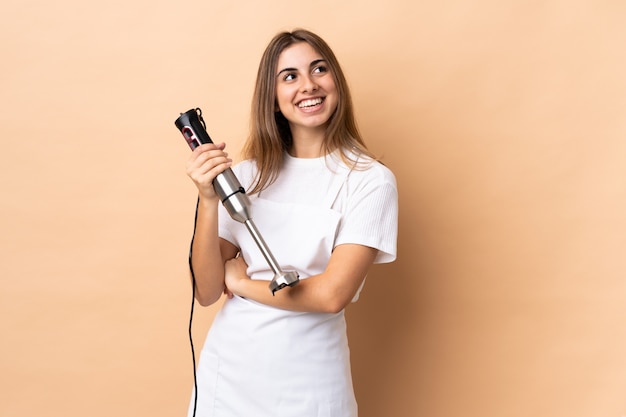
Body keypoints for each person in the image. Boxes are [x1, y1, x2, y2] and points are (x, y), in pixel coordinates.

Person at [184, 28, 398, 417]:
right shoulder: (246, 176)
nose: (308, 86)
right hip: (229, 374)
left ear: (337, 82)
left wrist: (242, 283)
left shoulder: (369, 180)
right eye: (290, 76)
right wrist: (207, 199)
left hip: (311, 380)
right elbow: (207, 290)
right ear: (273, 97)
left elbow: (331, 295)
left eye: (319, 69)